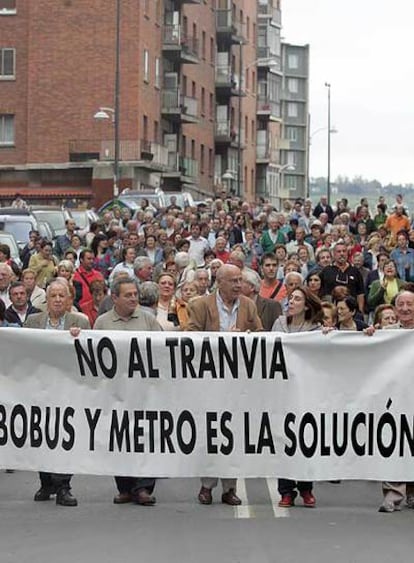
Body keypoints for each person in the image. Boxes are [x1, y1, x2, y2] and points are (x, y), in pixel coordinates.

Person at [187, 264, 262, 506]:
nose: (239, 285)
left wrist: (244, 338)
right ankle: (206, 485)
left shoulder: (248, 305)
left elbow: (260, 335)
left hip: (238, 381)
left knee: (235, 435)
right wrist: (220, 341)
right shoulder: (201, 305)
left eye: (241, 280)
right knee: (211, 434)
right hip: (209, 381)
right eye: (234, 281)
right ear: (219, 282)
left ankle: (230, 488)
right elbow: (189, 337)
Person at [94, 277, 162, 506]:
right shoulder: (102, 322)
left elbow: (164, 350)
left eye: (135, 294)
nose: (134, 298)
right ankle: (124, 487)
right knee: (120, 438)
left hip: (144, 393)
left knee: (146, 438)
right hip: (115, 393)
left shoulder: (149, 320)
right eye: (128, 295)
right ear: (115, 298)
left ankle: (143, 487)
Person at [24, 279, 91, 506]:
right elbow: (23, 351)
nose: (58, 300)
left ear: (69, 299)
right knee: (41, 435)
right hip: (39, 388)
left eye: (63, 296)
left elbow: (87, 354)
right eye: (54, 296)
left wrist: (78, 337)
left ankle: (64, 486)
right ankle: (45, 483)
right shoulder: (33, 322)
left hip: (68, 389)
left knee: (65, 436)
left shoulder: (80, 321)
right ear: (47, 299)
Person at [272, 286, 323, 507]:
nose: (291, 302)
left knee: (305, 439)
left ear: (307, 305)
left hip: (306, 390)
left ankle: (306, 488)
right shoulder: (279, 323)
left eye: (296, 299)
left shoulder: (316, 328)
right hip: (282, 390)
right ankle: (286, 491)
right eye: (290, 298)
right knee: (284, 440)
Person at [377, 291, 414, 512]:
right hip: (394, 398)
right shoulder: (387, 333)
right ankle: (393, 493)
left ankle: (411, 491)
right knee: (394, 443)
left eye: (410, 304)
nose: (405, 308)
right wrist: (371, 335)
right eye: (401, 304)